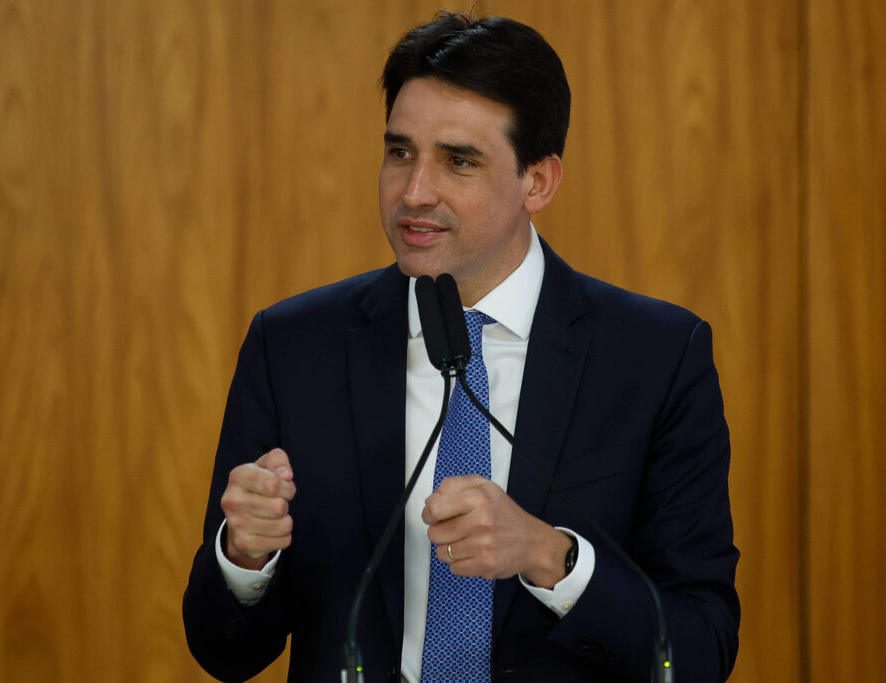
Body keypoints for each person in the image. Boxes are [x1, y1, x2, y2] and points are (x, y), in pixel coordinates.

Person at [183, 11, 739, 683]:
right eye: (400, 152)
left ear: (538, 181)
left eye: (459, 161)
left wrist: (549, 556)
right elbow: (223, 653)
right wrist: (245, 558)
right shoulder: (295, 347)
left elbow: (701, 651)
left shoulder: (655, 358)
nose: (414, 192)